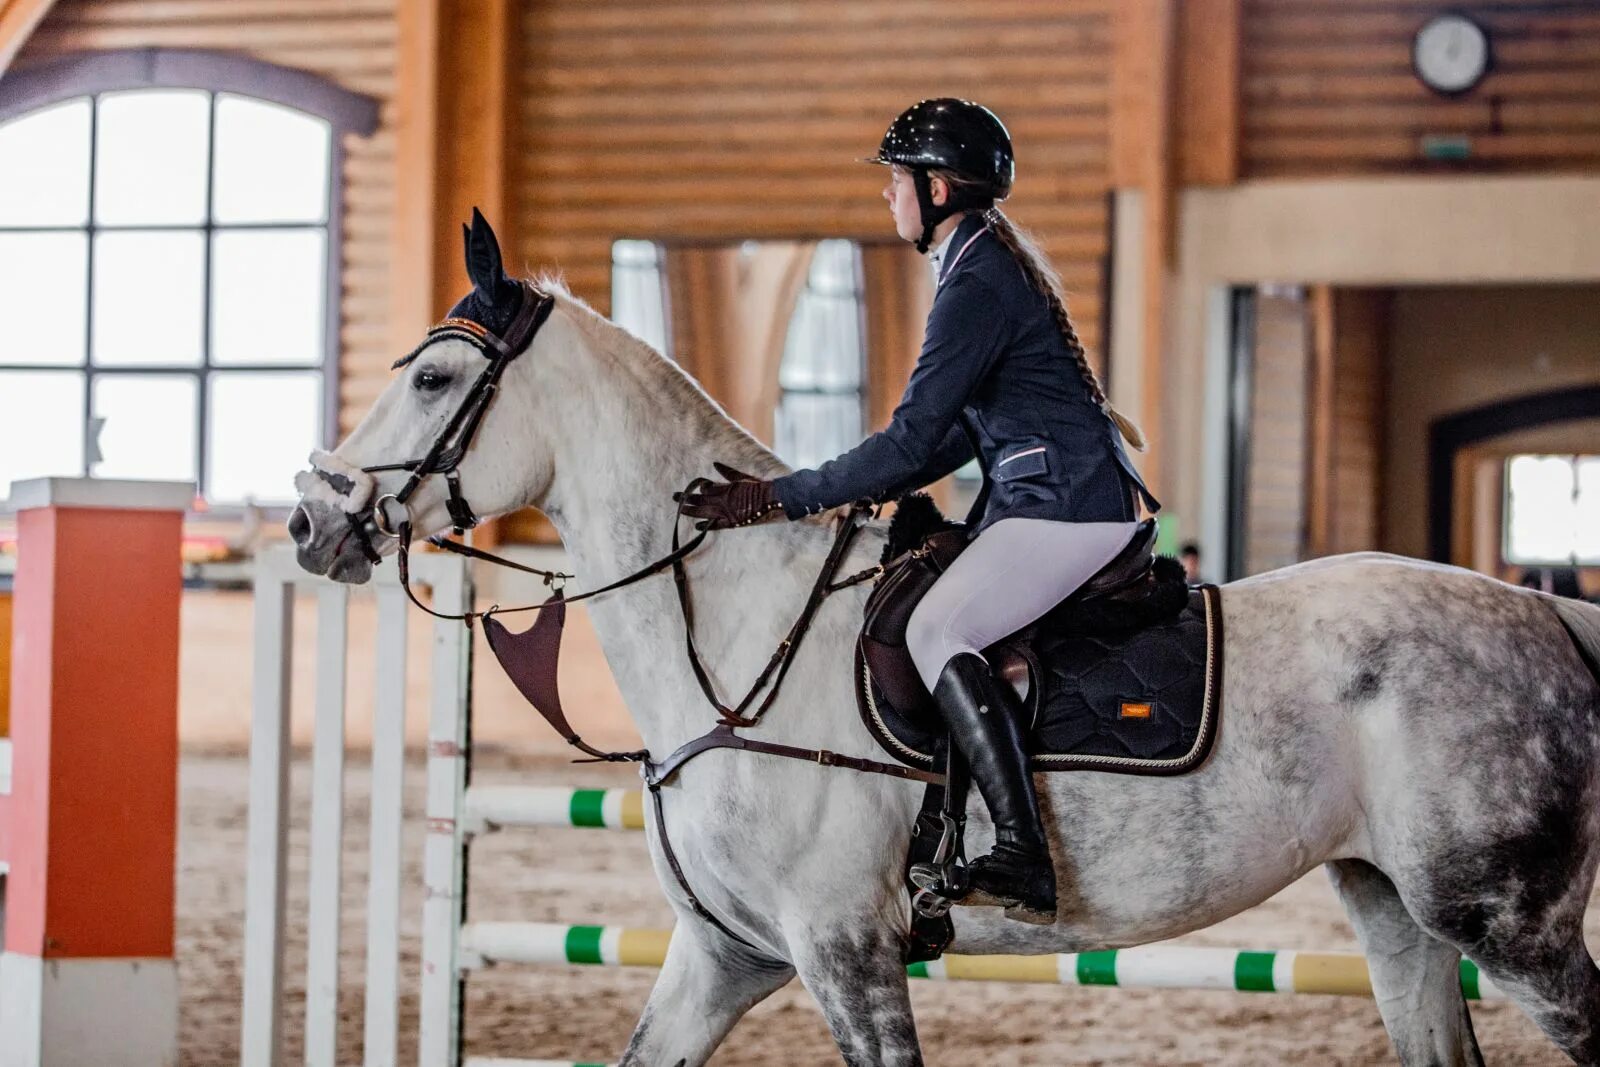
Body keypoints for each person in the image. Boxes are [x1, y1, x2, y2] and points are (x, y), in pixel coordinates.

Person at [681, 98, 1159, 925]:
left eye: (897, 181)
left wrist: (776, 495)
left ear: (937, 189)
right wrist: (859, 483)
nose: (888, 196)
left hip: (1069, 508)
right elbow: (949, 437)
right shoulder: (975, 263)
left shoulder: (977, 277)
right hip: (1041, 498)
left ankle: (1023, 854)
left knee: (938, 629)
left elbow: (910, 440)